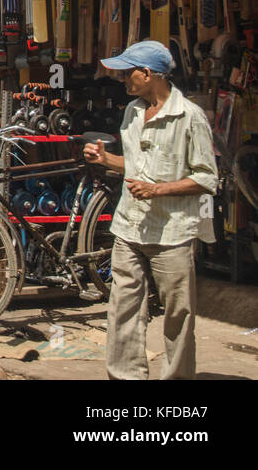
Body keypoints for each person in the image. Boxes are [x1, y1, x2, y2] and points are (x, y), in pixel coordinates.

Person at [83, 40, 218, 381]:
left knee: (178, 314)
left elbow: (206, 178)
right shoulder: (132, 112)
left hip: (172, 233)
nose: (123, 79)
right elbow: (135, 166)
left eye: (129, 72)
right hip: (129, 228)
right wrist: (106, 161)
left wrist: (158, 189)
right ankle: (125, 376)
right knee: (123, 309)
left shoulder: (190, 117)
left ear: (149, 74)